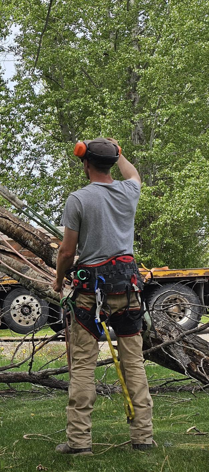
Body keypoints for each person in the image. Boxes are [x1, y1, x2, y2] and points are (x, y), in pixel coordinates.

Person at [52, 137, 153, 455]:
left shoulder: (78, 200)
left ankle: (79, 443)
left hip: (88, 296)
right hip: (128, 290)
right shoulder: (129, 191)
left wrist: (58, 279)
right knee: (133, 363)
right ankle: (143, 437)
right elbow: (134, 174)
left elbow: (67, 251)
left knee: (83, 366)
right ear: (111, 163)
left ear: (85, 163)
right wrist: (120, 152)